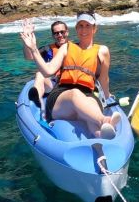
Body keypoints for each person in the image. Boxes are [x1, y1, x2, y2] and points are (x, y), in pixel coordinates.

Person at [20, 11, 121, 139]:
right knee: (75, 94)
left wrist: (107, 97)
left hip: (87, 94)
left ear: (94, 28)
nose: (83, 29)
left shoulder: (103, 51)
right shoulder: (66, 47)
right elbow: (47, 71)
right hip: (62, 96)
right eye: (80, 25)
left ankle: (100, 141)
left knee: (90, 104)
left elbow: (104, 79)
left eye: (87, 25)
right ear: (76, 28)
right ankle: (104, 121)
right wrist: (33, 48)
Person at [22, 19, 69, 108]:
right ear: (53, 35)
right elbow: (29, 57)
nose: (60, 35)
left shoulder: (76, 48)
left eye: (62, 32)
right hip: (53, 85)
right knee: (40, 73)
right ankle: (37, 99)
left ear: (67, 32)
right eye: (56, 33)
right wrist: (27, 38)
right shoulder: (47, 49)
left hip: (70, 85)